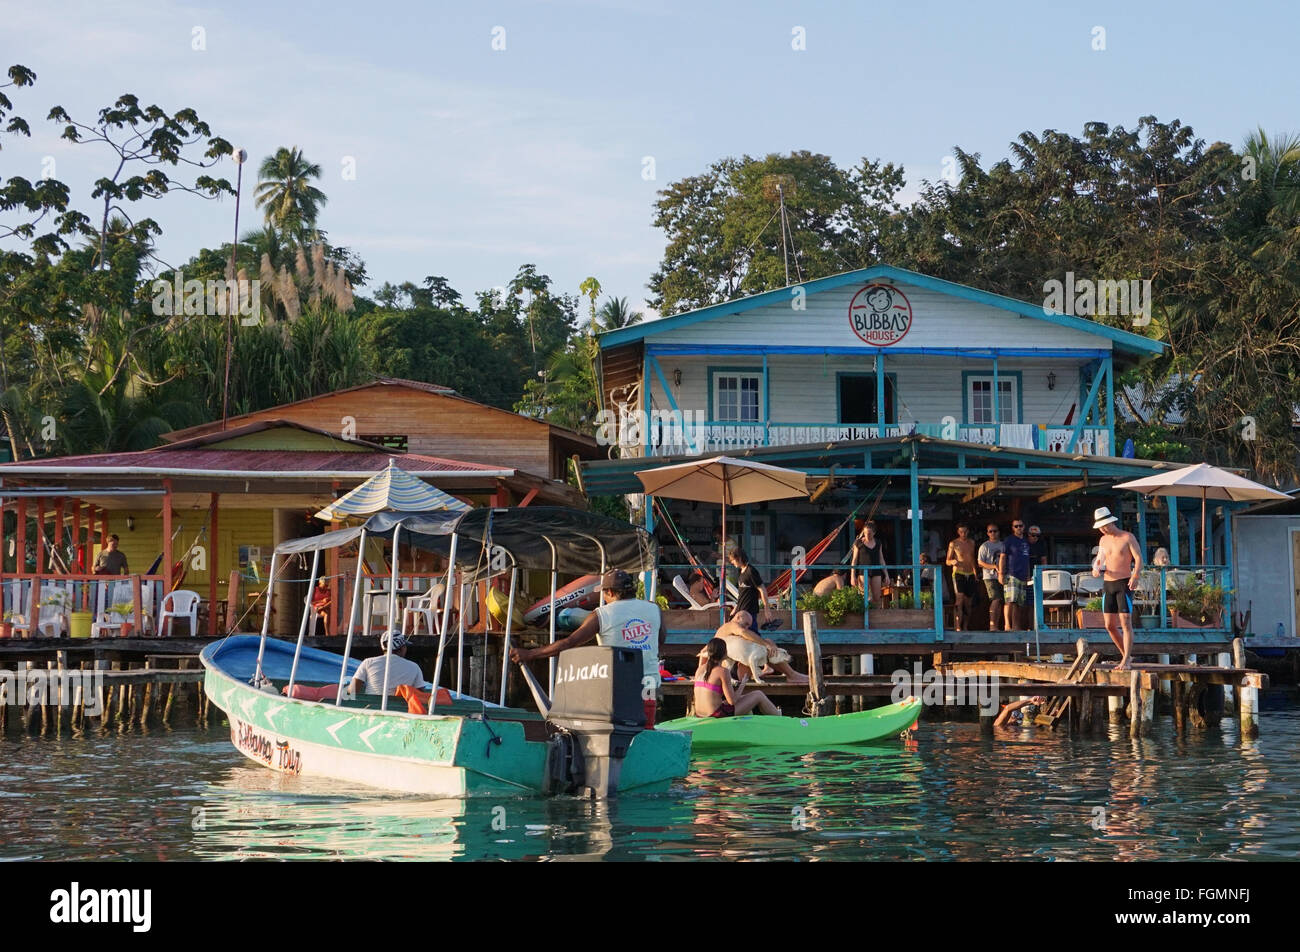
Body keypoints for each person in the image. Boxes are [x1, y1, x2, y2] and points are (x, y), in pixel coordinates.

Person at [511, 569, 664, 724]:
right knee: (646, 732)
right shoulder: (654, 609)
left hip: (618, 687)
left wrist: (530, 654)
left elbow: (569, 643)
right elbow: (661, 640)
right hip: (649, 685)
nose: (603, 598)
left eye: (603, 594)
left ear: (610, 592)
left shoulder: (602, 615)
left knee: (617, 731)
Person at [1091, 507, 1143, 671]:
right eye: (1100, 527)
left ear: (1112, 522)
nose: (1103, 529)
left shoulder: (1127, 537)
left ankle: (1126, 660)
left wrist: (1135, 576)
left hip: (1124, 583)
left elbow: (1139, 558)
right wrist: (1096, 567)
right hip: (1108, 583)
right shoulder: (1103, 540)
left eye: (1105, 525)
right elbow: (1100, 558)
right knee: (1109, 625)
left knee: (1125, 622)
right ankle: (1125, 655)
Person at [693, 637, 780, 717]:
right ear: (724, 652)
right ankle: (779, 717)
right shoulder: (722, 671)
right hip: (716, 715)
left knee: (743, 699)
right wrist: (742, 684)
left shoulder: (699, 669)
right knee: (758, 695)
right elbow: (732, 701)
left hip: (699, 714)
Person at [715, 611, 808, 684]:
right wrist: (767, 645)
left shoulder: (726, 632)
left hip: (734, 670)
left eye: (749, 625)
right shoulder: (731, 625)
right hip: (733, 671)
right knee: (768, 645)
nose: (747, 627)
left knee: (766, 645)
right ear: (738, 617)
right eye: (746, 624)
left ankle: (773, 669)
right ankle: (792, 675)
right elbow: (743, 632)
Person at [351, 630, 426, 696]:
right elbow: (421, 694)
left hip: (371, 707)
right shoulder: (414, 667)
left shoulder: (368, 662)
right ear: (402, 648)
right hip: (401, 710)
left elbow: (352, 691)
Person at [999, 519, 1033, 632]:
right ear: (1013, 528)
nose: (1019, 528)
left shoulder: (1025, 541)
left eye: (1020, 526)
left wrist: (1028, 574)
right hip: (1011, 573)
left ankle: (1016, 626)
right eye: (1016, 526)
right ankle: (1008, 625)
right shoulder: (1009, 540)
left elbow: (1027, 559)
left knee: (1020, 602)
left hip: (1023, 575)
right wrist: (1001, 573)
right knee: (1010, 600)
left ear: (1024, 527)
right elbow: (1002, 557)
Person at [945, 524, 978, 631]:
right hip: (959, 573)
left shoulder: (972, 542)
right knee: (959, 600)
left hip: (970, 574)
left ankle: (965, 626)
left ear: (968, 531)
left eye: (965, 532)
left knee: (968, 603)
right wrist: (952, 561)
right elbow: (947, 561)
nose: (963, 534)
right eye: (961, 532)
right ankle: (958, 626)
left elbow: (972, 558)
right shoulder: (953, 543)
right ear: (958, 532)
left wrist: (975, 572)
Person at [851, 520, 891, 607]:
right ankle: (865, 616)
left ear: (874, 533)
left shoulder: (878, 543)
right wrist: (852, 575)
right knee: (865, 596)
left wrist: (886, 574)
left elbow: (881, 559)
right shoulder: (858, 543)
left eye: (869, 533)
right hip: (863, 571)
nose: (867, 535)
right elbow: (854, 560)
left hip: (876, 571)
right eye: (865, 533)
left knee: (877, 597)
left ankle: (873, 614)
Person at [728, 548, 770, 625]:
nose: (732, 562)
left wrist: (766, 609)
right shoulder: (741, 572)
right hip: (741, 612)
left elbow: (762, 589)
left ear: (739, 558)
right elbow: (743, 594)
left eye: (733, 560)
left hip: (750, 612)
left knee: (752, 634)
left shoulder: (751, 571)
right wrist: (736, 608)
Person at [977, 524, 1005, 631]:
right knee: (995, 599)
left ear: (999, 532)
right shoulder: (984, 546)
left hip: (1002, 575)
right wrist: (993, 566)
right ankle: (992, 625)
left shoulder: (1003, 545)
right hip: (989, 576)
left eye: (995, 531)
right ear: (987, 533)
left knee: (1001, 600)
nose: (993, 533)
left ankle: (997, 625)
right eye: (990, 531)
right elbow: (980, 562)